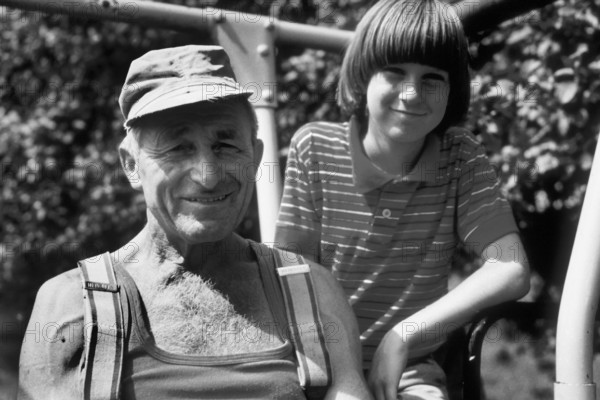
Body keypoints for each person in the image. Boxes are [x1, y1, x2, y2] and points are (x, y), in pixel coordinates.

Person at [18, 45, 371, 400]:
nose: (208, 176)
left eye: (226, 145)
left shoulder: (314, 292)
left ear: (256, 155)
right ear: (131, 165)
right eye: (177, 148)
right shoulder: (72, 306)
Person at [275, 1, 531, 399]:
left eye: (432, 78)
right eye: (394, 72)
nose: (412, 93)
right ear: (363, 77)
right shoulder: (315, 148)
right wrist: (341, 377)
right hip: (318, 360)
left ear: (453, 89)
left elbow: (510, 268)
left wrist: (404, 335)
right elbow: (293, 275)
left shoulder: (459, 157)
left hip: (410, 368)